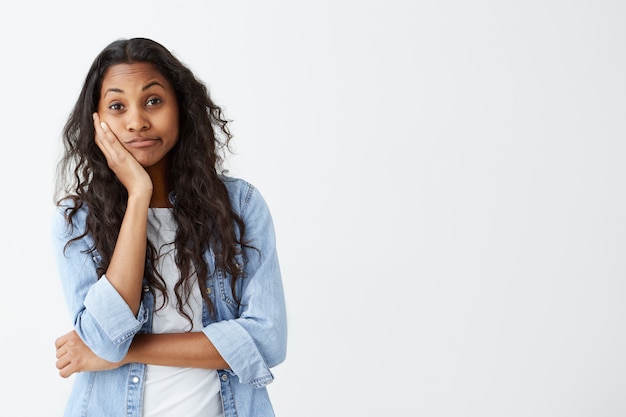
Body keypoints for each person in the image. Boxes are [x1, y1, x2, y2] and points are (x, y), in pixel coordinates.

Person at [52, 37, 287, 417]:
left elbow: (267, 341)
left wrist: (123, 351)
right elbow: (105, 339)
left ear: (181, 107)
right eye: (116, 106)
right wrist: (139, 195)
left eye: (153, 101)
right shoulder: (77, 219)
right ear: (96, 122)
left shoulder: (239, 206)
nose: (137, 121)